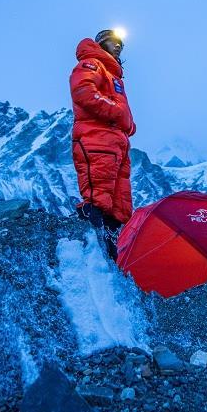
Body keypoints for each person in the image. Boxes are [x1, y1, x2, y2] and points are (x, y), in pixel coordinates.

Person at [69, 28, 135, 259]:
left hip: (116, 142)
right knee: (99, 195)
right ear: (100, 44)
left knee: (119, 204)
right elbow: (83, 91)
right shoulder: (92, 64)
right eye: (112, 41)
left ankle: (113, 251)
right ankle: (93, 249)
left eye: (120, 44)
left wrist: (129, 124)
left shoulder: (113, 76)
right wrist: (117, 113)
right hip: (96, 138)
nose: (117, 46)